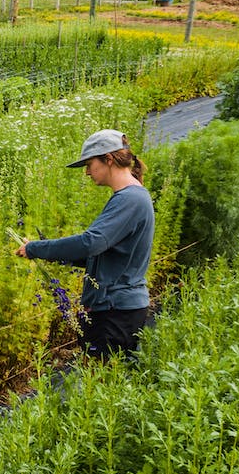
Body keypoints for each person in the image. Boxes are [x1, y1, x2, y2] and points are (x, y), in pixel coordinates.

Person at [16, 129, 154, 360]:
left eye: (89, 164)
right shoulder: (130, 197)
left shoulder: (130, 199)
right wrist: (42, 252)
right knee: (105, 383)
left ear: (108, 159)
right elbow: (99, 254)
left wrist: (36, 248)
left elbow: (90, 243)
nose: (87, 172)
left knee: (104, 383)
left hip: (115, 311)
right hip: (116, 309)